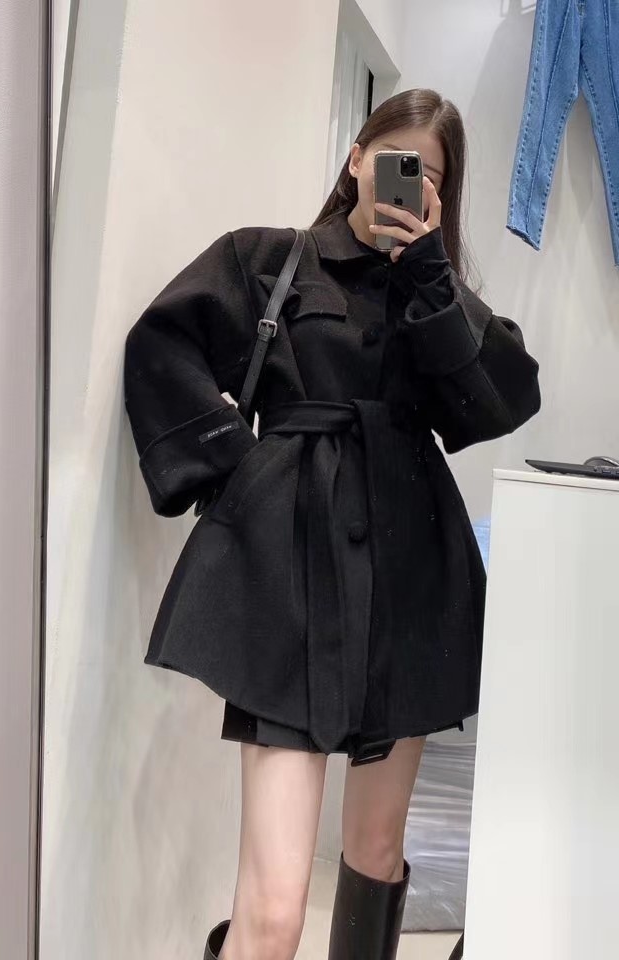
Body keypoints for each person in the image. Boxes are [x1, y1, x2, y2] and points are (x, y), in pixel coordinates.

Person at [123, 88, 541, 960]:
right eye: (395, 159)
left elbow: (505, 399)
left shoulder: (438, 297)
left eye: (430, 174)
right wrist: (240, 469)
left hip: (410, 584)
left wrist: (431, 276)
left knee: (375, 856)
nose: (409, 181)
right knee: (275, 910)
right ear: (356, 158)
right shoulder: (268, 260)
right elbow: (161, 342)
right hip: (289, 585)